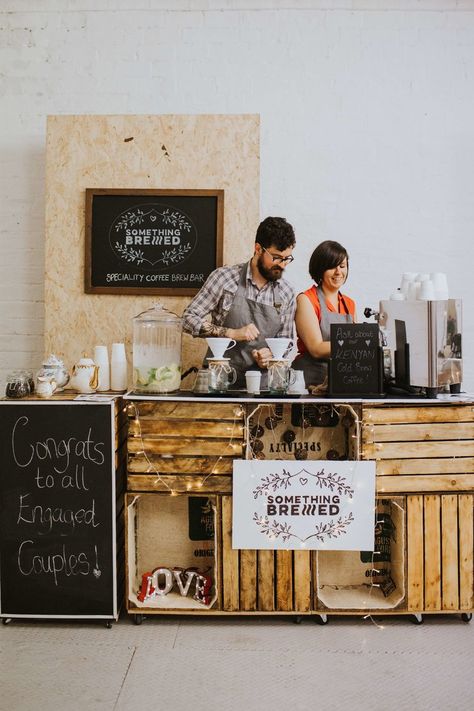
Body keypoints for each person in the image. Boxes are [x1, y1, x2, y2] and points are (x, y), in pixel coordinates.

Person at [182, 216, 296, 387]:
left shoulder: (286, 292)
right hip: (218, 383)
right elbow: (187, 319)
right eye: (277, 257)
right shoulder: (224, 278)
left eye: (287, 258)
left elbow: (286, 341)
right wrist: (230, 333)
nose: (283, 265)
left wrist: (270, 355)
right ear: (258, 249)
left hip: (262, 387)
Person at [292, 240, 356, 387]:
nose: (338, 272)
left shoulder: (349, 304)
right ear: (320, 268)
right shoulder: (306, 299)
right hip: (309, 382)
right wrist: (357, 346)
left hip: (339, 382)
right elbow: (316, 348)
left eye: (342, 266)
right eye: (332, 267)